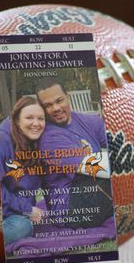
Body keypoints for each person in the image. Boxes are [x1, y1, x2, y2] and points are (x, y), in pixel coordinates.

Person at [36, 78, 114, 228]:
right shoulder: (49, 139)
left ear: (68, 97)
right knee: (109, 176)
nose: (56, 108)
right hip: (69, 209)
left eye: (59, 100)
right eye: (48, 105)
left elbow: (120, 142)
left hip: (93, 187)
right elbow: (104, 167)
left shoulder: (89, 121)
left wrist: (111, 98)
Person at [0, 96, 45, 245]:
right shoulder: (1, 140)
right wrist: (27, 209)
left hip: (19, 212)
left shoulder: (37, 140)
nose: (36, 123)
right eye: (29, 117)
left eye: (41, 118)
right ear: (16, 119)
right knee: (21, 228)